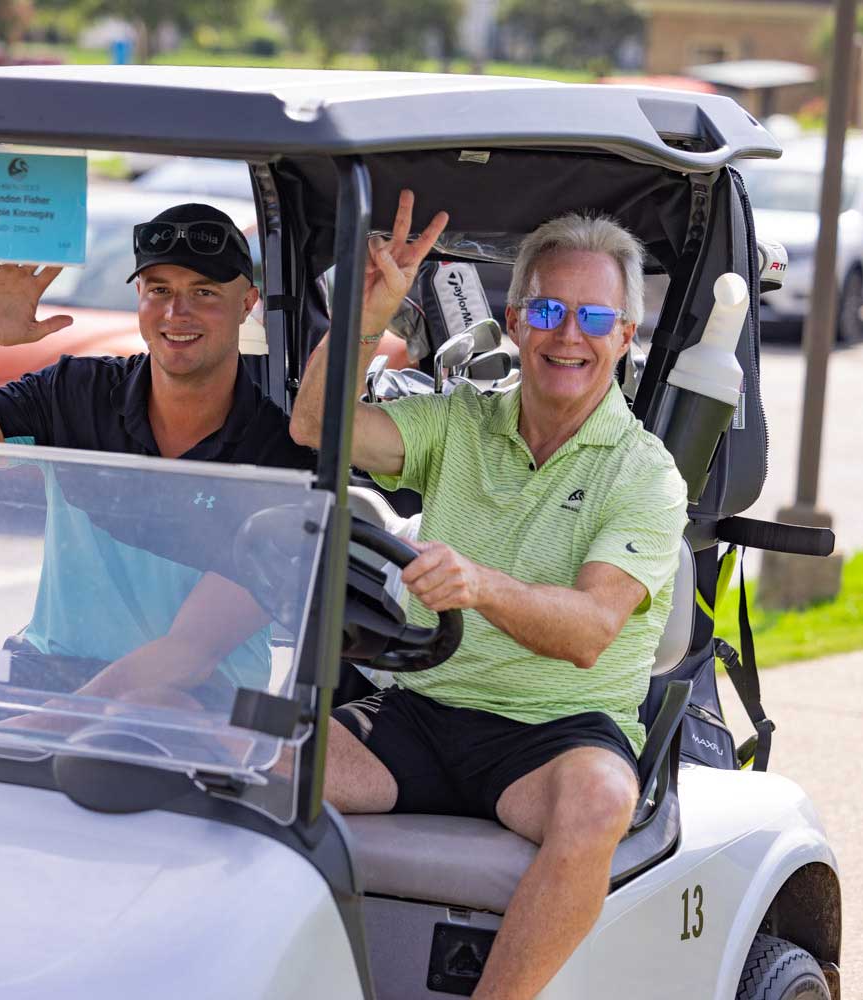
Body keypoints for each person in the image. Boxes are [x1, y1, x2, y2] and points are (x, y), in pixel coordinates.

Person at [291, 191, 688, 1000]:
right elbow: (315, 426)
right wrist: (367, 321)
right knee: (262, 763)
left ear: (625, 335)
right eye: (546, 310)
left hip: (558, 733)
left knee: (600, 802)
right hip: (425, 712)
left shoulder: (644, 473)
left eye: (593, 316)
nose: (567, 334)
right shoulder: (460, 422)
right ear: (513, 321)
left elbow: (589, 631)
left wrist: (480, 586)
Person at [0, 202, 315, 714]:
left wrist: (34, 730)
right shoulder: (77, 390)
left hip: (191, 697)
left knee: (132, 714)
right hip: (47, 667)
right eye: (160, 290)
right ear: (139, 297)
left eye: (204, 292)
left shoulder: (278, 457)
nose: (176, 313)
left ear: (247, 303)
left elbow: (187, 655)